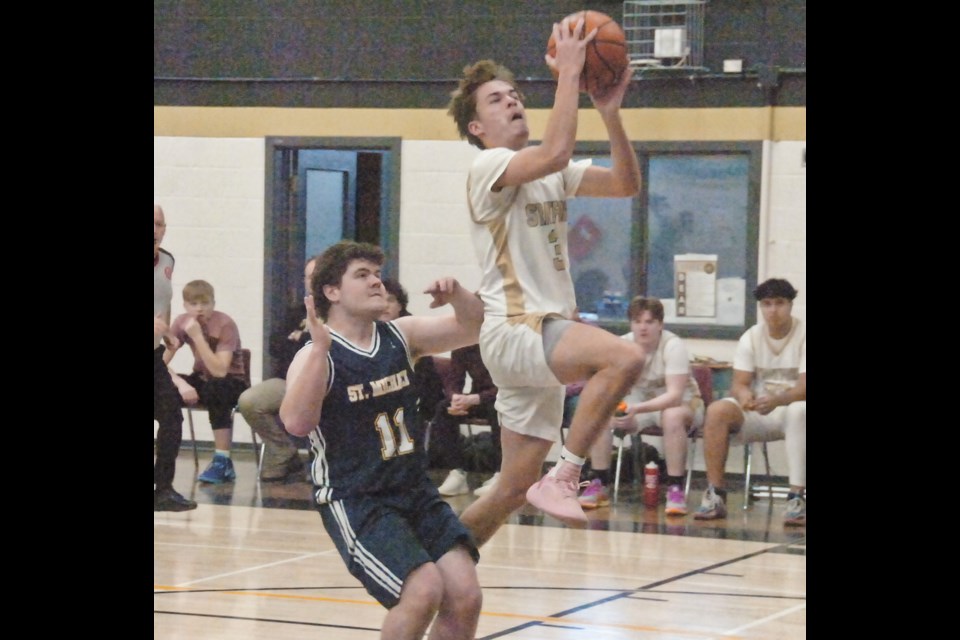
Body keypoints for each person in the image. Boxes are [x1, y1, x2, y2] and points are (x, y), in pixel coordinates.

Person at [446, 18, 646, 541]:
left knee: (513, 488)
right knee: (624, 356)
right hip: (517, 328)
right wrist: (572, 73)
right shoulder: (487, 166)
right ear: (476, 127)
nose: (512, 102)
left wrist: (609, 113)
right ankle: (569, 474)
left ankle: (442, 562)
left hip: (538, 337)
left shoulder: (549, 171)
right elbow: (555, 150)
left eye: (514, 94)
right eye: (496, 100)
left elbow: (625, 184)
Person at [280, 240, 485, 640]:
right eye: (362, 275)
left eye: (377, 274)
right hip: (357, 498)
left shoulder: (400, 335)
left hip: (413, 489)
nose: (377, 282)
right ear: (332, 292)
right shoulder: (313, 355)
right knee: (422, 590)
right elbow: (297, 424)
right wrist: (321, 351)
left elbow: (472, 326)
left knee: (465, 594)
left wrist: (458, 295)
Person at [693, 278, 806, 526]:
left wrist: (777, 400)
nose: (773, 310)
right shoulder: (751, 337)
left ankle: (797, 497)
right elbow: (740, 383)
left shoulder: (803, 334)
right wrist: (745, 397)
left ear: (790, 305)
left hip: (790, 410)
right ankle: (716, 494)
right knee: (717, 410)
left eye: (779, 303)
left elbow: (804, 387)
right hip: (761, 410)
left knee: (800, 410)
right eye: (767, 304)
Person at [578, 296, 704, 515]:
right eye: (638, 322)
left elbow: (674, 396)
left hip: (684, 403)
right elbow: (608, 386)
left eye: (649, 322)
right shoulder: (622, 345)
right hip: (641, 404)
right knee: (603, 412)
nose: (643, 327)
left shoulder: (673, 345)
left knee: (672, 416)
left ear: (660, 324)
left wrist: (636, 409)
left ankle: (675, 487)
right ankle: (600, 482)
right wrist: (619, 410)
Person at [236, 257, 321, 482]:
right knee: (250, 401)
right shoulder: (296, 311)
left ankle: (322, 460)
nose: (311, 281)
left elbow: (324, 347)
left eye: (316, 275)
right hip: (288, 380)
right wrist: (303, 338)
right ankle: (283, 452)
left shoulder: (338, 310)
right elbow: (275, 345)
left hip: (324, 382)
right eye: (308, 277)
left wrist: (299, 337)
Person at [164, 280, 250, 484]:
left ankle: (222, 461)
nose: (200, 308)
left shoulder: (224, 324)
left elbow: (220, 371)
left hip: (232, 382)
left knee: (216, 388)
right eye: (194, 304)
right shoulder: (181, 322)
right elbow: (159, 363)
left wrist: (197, 337)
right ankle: (165, 457)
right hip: (201, 379)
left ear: (214, 303)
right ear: (185, 305)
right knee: (162, 388)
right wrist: (181, 384)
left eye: (205, 303)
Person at [154, 204, 197, 512]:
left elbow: (162, 300)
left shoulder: (167, 260)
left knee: (171, 415)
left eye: (158, 224)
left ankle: (163, 489)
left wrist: (165, 331)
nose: (154, 229)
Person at [430, 344, 501, 498]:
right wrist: (455, 398)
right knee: (444, 409)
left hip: (502, 397)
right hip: (477, 397)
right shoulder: (464, 344)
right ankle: (457, 472)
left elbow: (509, 384)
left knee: (498, 410)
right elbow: (454, 379)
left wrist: (477, 398)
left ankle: (500, 473)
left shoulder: (501, 341)